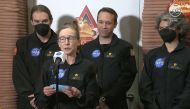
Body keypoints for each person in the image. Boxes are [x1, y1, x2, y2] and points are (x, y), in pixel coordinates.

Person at [80, 7, 137, 109]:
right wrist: (94, 101)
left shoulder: (125, 47)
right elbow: (83, 76)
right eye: (100, 22)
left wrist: (106, 99)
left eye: (108, 23)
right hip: (91, 103)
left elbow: (128, 76)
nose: (104, 26)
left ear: (115, 24)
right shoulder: (86, 48)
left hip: (116, 103)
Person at [34, 22, 98, 109]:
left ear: (78, 42)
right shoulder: (49, 65)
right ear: (59, 43)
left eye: (70, 38)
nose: (66, 42)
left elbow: (93, 101)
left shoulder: (88, 66)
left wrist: (79, 95)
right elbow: (38, 102)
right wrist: (45, 95)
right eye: (62, 39)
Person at [12, 5, 60, 109]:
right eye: (37, 21)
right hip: (29, 101)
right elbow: (19, 73)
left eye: (44, 21)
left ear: (51, 20)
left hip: (54, 100)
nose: (40, 24)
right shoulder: (22, 44)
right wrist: (31, 97)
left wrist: (47, 95)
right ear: (32, 22)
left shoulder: (61, 43)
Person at [139, 12, 190, 109]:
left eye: (168, 28)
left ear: (179, 29)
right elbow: (144, 87)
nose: (164, 31)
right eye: (161, 28)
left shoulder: (187, 55)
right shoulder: (151, 55)